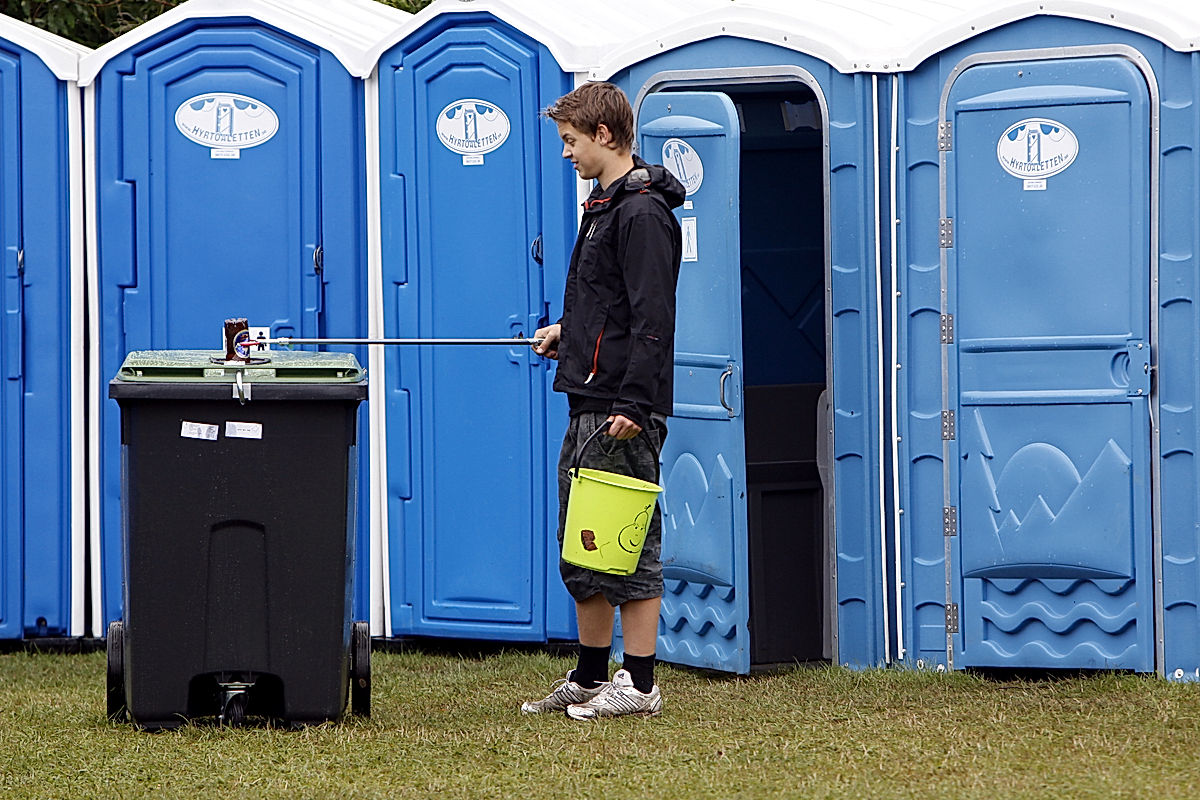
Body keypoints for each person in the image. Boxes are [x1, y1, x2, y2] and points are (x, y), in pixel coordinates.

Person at [521, 81, 684, 719]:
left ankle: (639, 685)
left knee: (627, 541)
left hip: (622, 409)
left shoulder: (642, 214)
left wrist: (635, 406)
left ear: (605, 135)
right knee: (585, 543)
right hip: (589, 399)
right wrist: (569, 332)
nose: (566, 153)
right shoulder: (603, 206)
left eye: (571, 141)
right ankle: (590, 677)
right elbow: (609, 302)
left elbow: (652, 318)